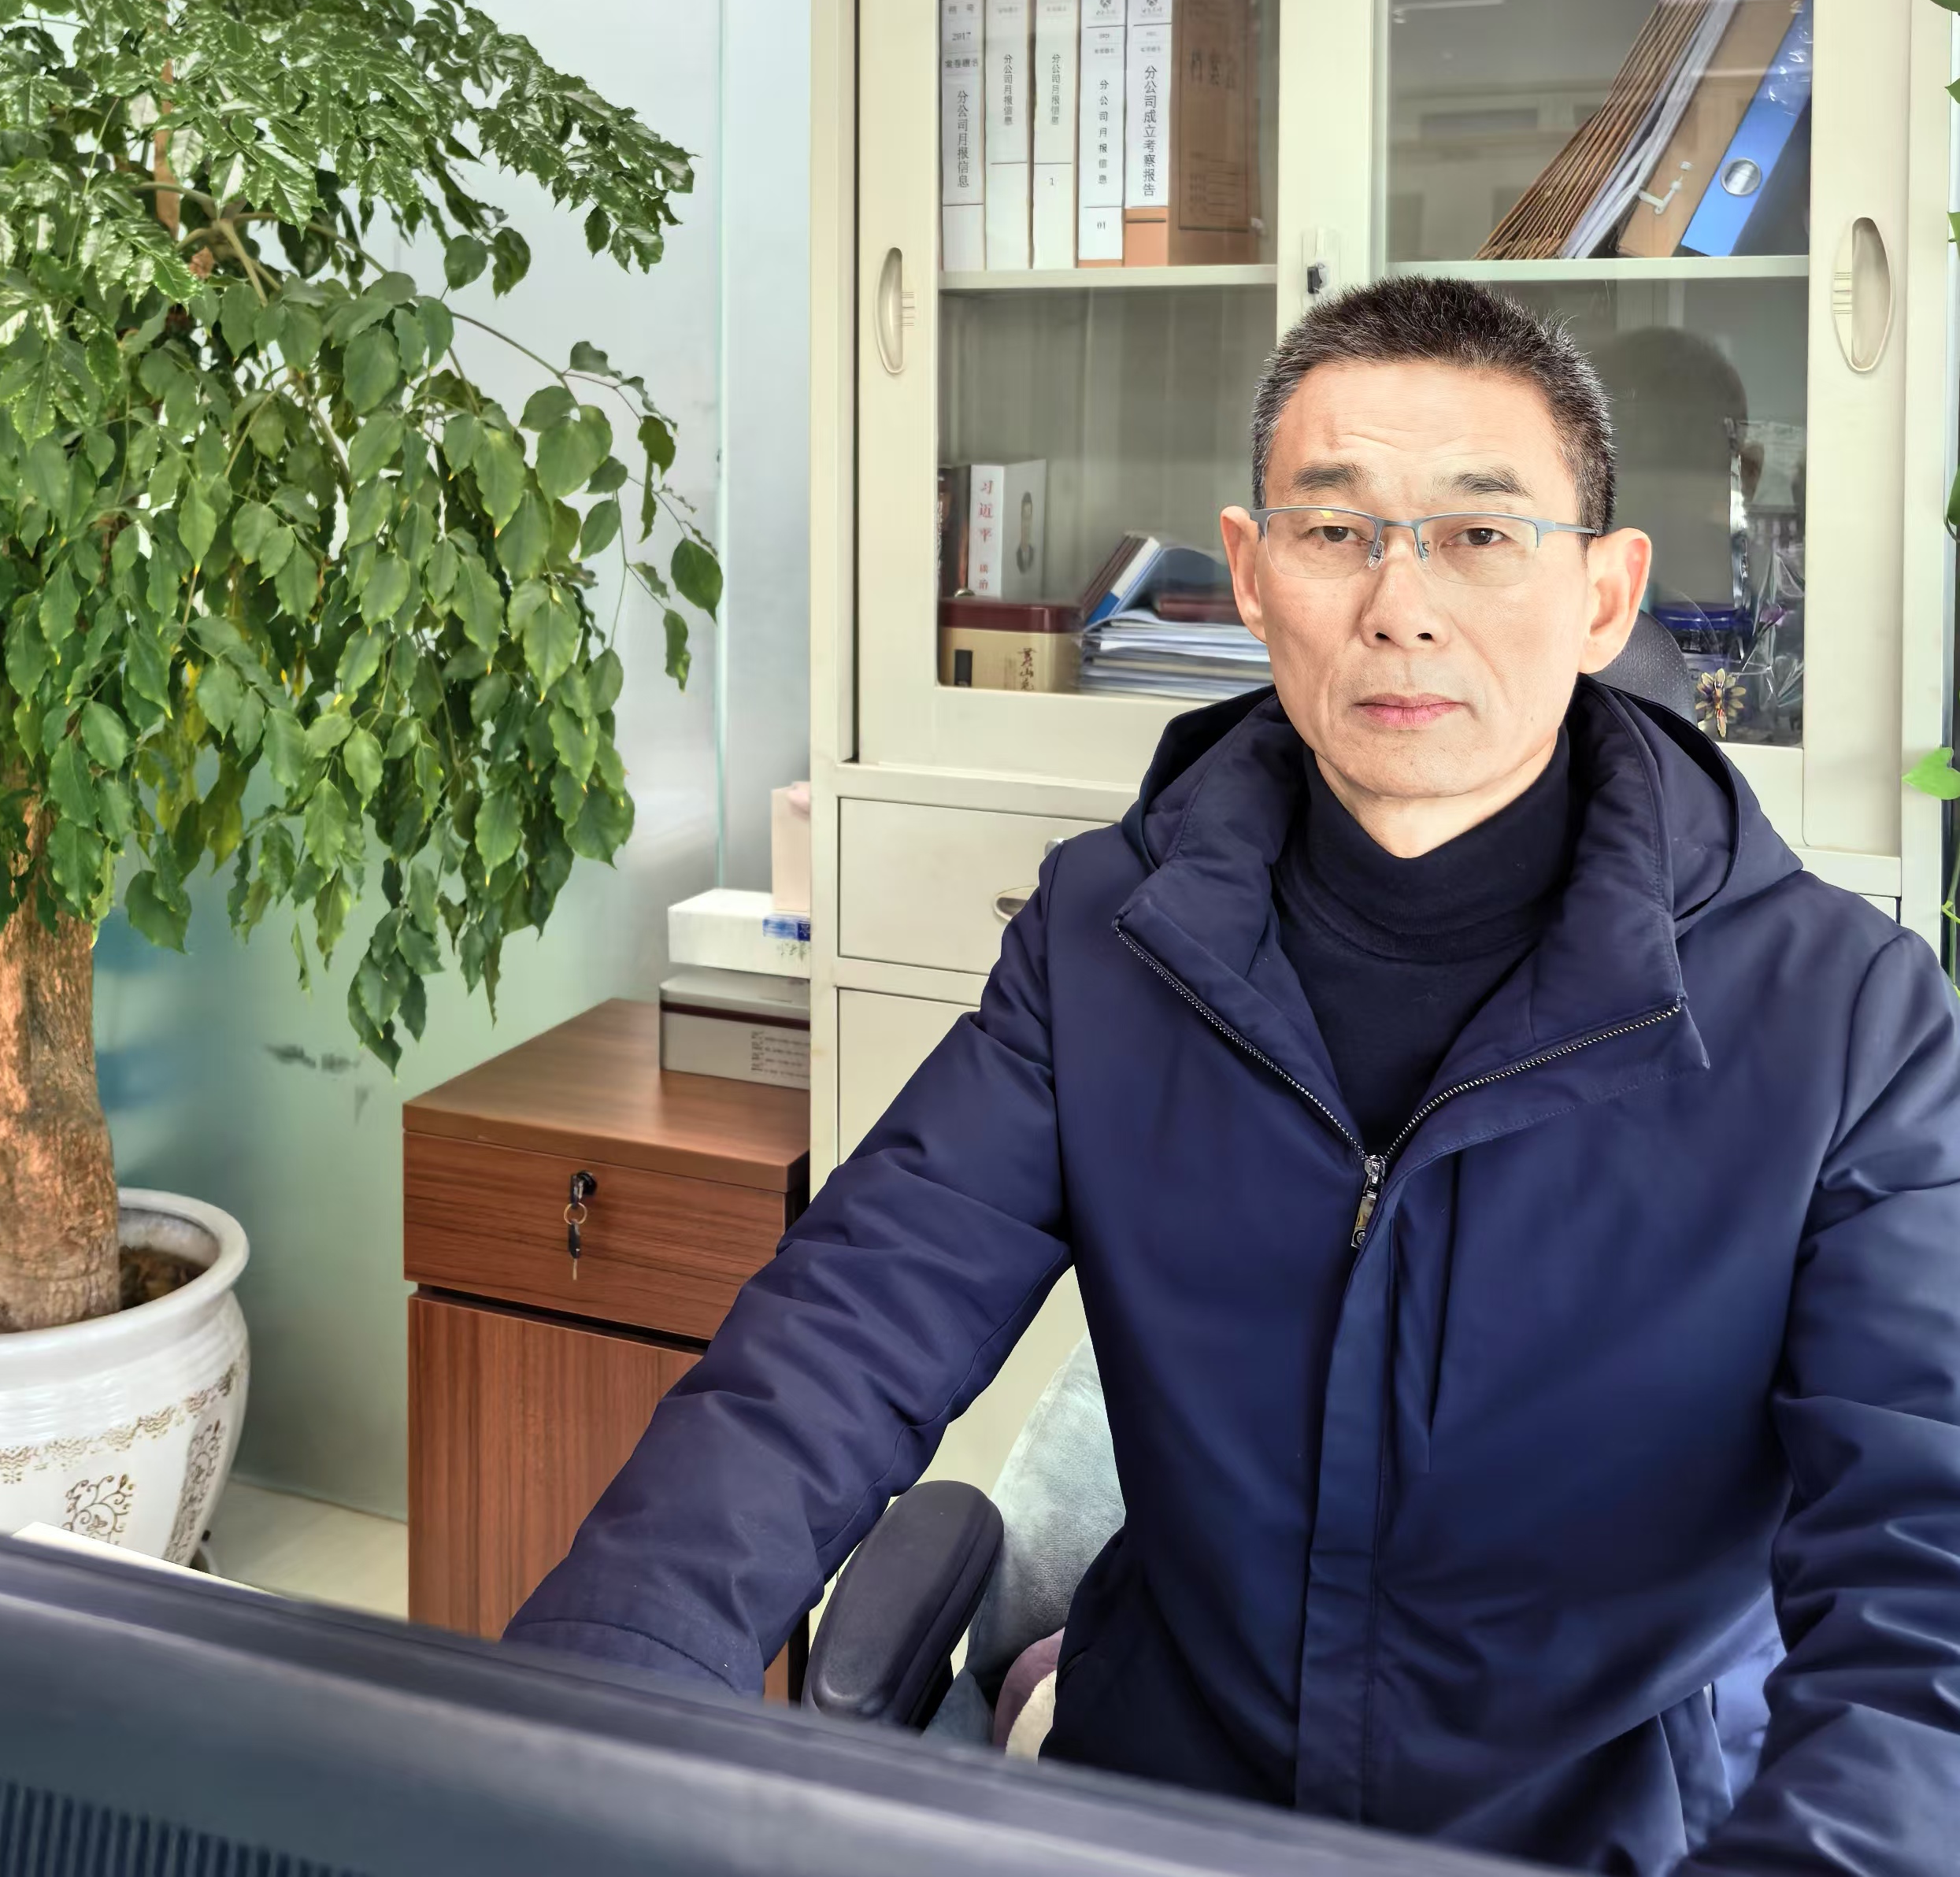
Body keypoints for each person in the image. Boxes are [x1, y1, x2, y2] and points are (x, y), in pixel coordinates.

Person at [506, 276, 1960, 1877]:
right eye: (1334, 532)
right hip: (1155, 1806)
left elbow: (1924, 1588)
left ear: (1604, 597)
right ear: (1253, 577)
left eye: (1480, 534)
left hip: (1602, 1837)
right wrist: (578, 1732)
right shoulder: (1105, 940)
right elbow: (838, 1339)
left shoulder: (1841, 1020)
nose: (1400, 607)